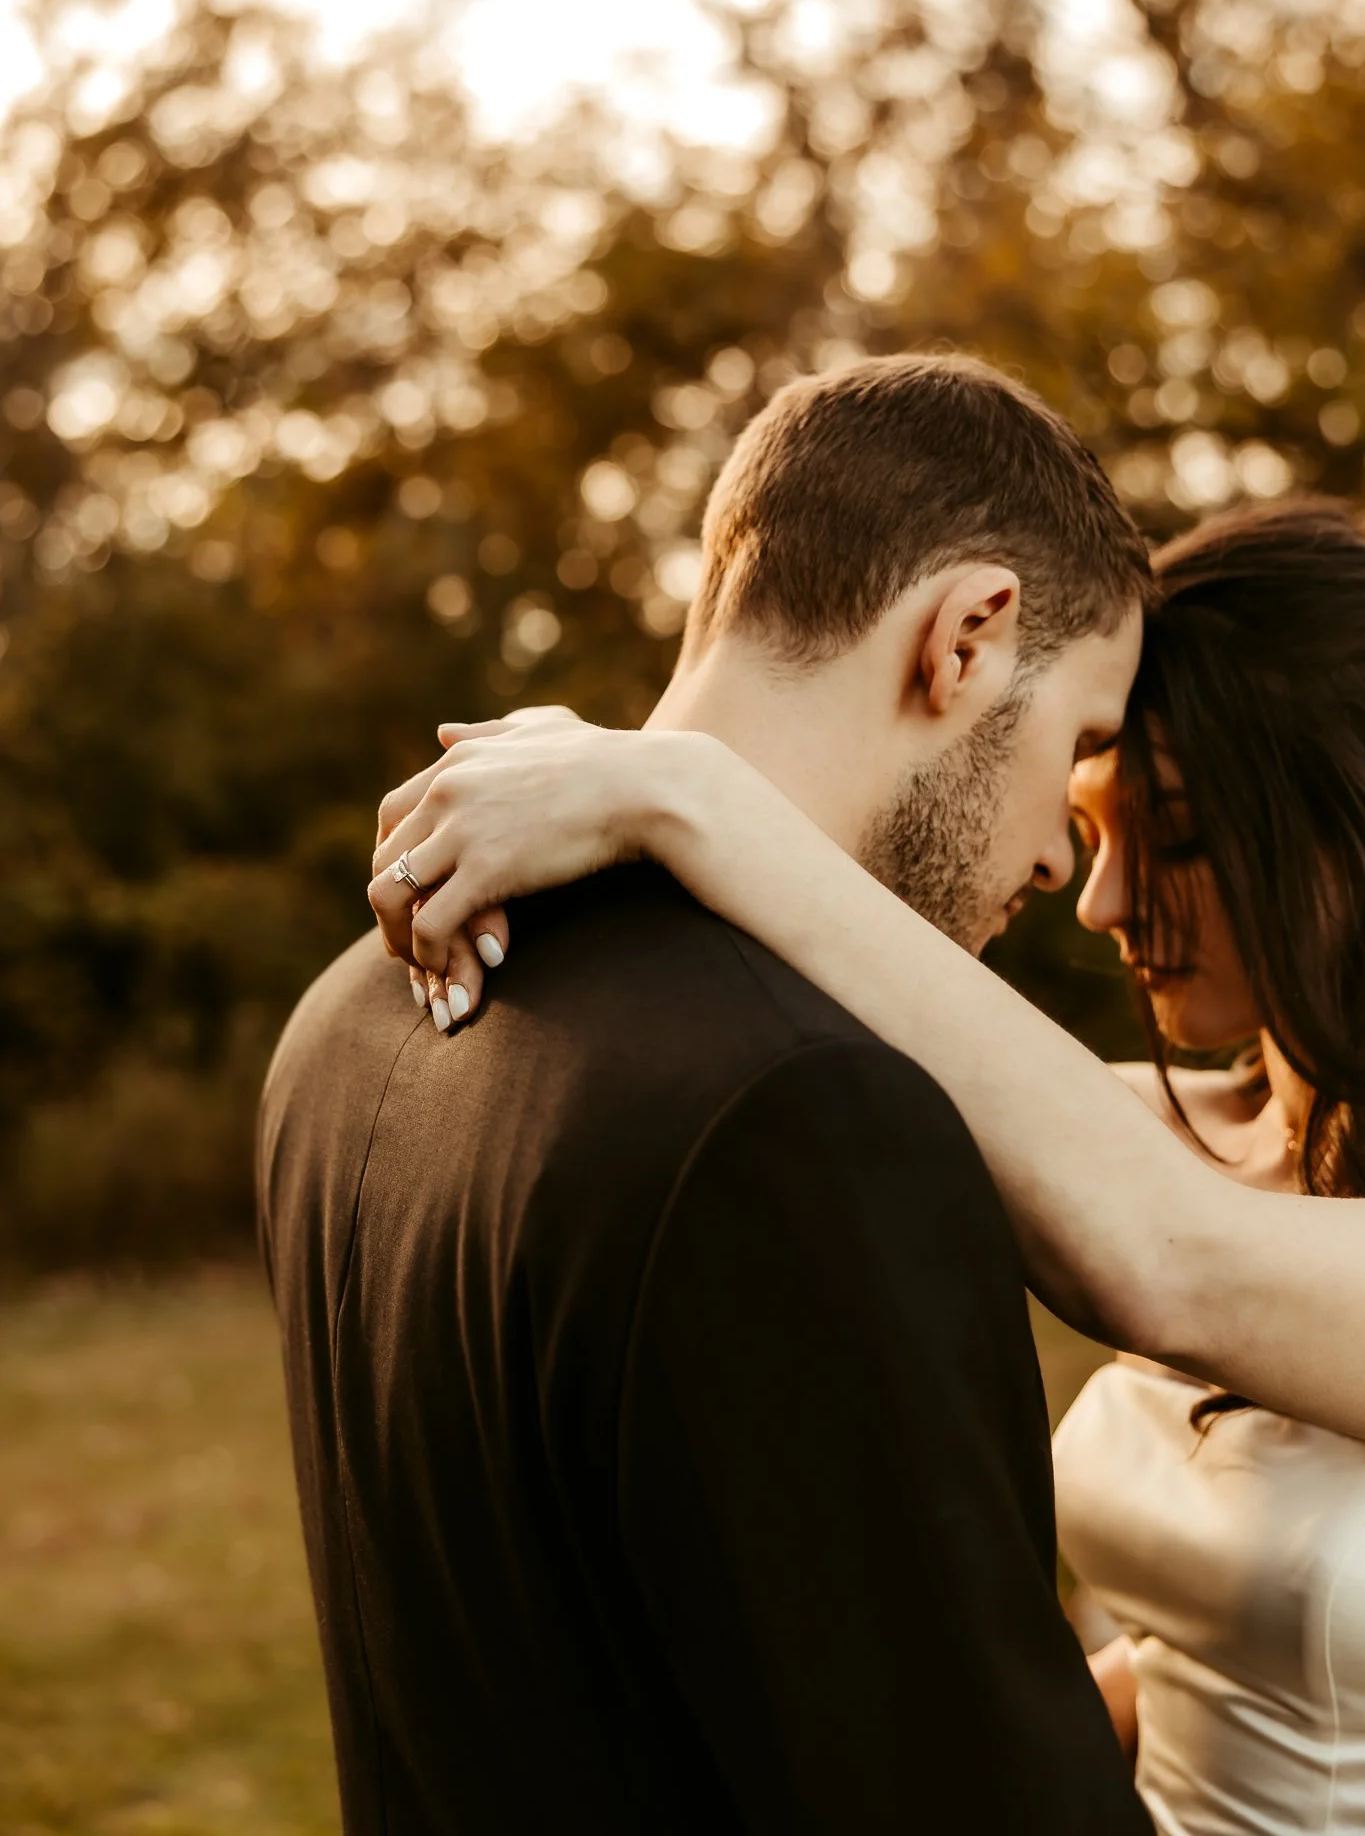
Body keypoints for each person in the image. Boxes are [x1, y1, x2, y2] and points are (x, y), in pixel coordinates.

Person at [371, 498, 1365, 1835]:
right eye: (1095, 824)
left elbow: (1167, 1256)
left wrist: (689, 792)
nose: (1104, 902)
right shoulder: (1175, 1130)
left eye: (1176, 832)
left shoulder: (1162, 1204)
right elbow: (1227, 1679)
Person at [260, 352, 1155, 1834]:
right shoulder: (811, 1116)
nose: (1062, 864)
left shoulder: (347, 1013)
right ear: (971, 636)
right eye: (1081, 749)